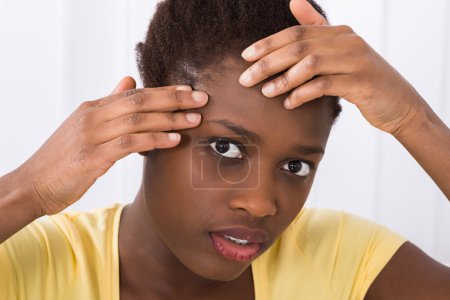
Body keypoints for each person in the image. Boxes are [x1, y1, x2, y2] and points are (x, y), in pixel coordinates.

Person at [1, 0, 449, 299]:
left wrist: (415, 120)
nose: (260, 204)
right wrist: (28, 190)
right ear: (142, 122)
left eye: (296, 165)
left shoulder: (345, 263)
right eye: (226, 148)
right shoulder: (32, 265)